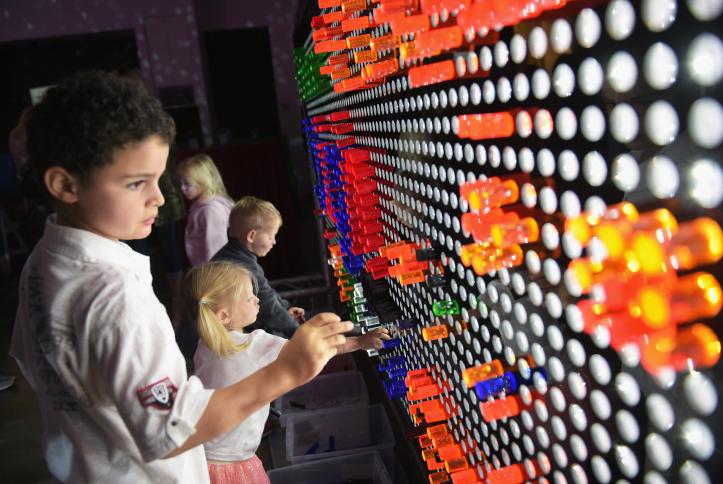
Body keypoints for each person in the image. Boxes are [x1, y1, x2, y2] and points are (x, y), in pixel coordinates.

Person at [9, 70, 353, 483]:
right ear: (66, 184)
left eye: (159, 178)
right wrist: (288, 371)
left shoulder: (41, 261)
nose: (158, 197)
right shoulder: (115, 296)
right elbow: (173, 430)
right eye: (137, 183)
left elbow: (32, 363)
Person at [184, 261, 389, 483]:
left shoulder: (205, 344)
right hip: (234, 465)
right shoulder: (254, 345)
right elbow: (312, 350)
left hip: (201, 459)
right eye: (248, 297)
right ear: (224, 316)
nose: (257, 299)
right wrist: (359, 342)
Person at [212, 196, 302, 338]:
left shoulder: (232, 254)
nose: (274, 242)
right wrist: (299, 331)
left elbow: (267, 293)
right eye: (271, 236)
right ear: (252, 236)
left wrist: (286, 308)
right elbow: (268, 307)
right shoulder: (243, 266)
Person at [177, 154, 233, 266]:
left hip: (213, 272)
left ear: (204, 181)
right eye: (181, 183)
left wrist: (209, 278)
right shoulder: (199, 205)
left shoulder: (210, 211)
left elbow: (216, 251)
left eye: (187, 183)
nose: (182, 188)